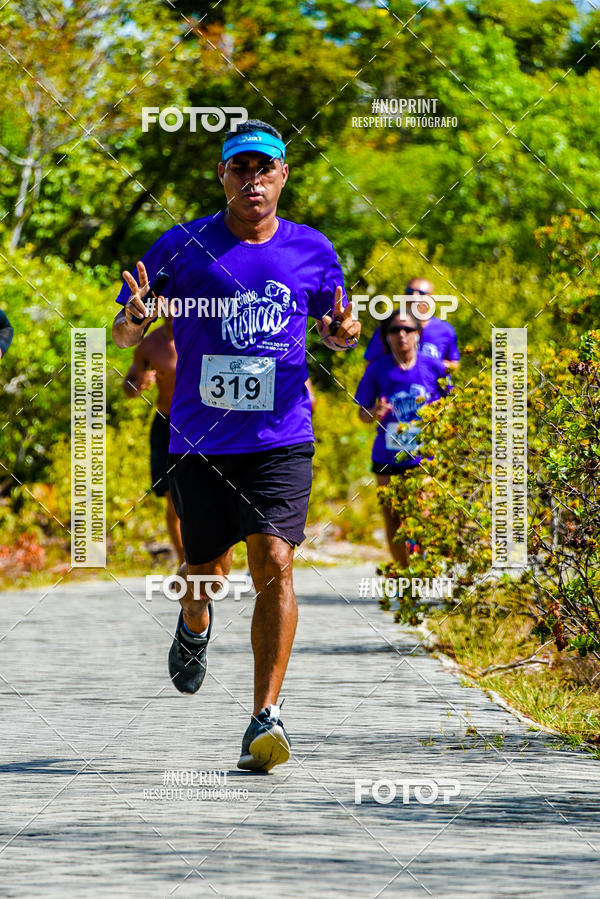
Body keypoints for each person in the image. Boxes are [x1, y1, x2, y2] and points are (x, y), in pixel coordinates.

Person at [111, 119, 360, 772]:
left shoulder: (312, 250)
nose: (253, 179)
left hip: (282, 437)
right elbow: (125, 334)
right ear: (222, 176)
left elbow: (337, 328)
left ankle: (265, 715)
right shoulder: (183, 245)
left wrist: (340, 336)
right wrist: (133, 320)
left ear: (283, 176)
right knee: (205, 570)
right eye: (240, 168)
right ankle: (194, 621)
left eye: (265, 168)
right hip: (201, 439)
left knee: (275, 558)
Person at [355, 308, 447, 567]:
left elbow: (453, 402)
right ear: (386, 337)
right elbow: (361, 413)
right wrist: (374, 412)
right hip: (387, 455)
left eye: (408, 329)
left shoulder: (433, 366)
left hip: (423, 455)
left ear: (418, 334)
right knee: (393, 519)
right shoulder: (377, 370)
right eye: (395, 330)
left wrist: (439, 416)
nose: (401, 334)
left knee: (422, 514)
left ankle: (420, 568)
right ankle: (405, 577)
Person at [122, 308, 184, 563]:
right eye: (166, 308)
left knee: (203, 498)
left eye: (177, 307)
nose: (172, 313)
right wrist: (139, 382)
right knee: (173, 500)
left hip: (199, 425)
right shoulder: (150, 344)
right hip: (166, 424)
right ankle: (185, 565)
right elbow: (128, 387)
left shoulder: (202, 335)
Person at [364, 277, 460, 370]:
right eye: (409, 292)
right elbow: (370, 364)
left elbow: (454, 363)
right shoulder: (389, 327)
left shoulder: (445, 330)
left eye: (421, 293)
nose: (414, 296)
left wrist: (431, 365)